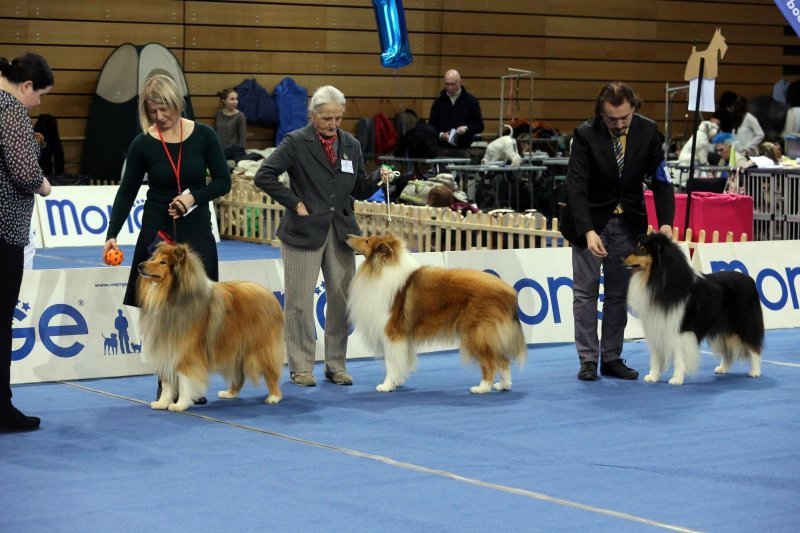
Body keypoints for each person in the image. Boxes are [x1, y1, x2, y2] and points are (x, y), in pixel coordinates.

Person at [103, 74, 231, 401]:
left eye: (164, 109)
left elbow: (222, 181)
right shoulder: (143, 143)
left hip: (195, 232)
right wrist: (112, 233)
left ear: (177, 103)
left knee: (199, 311)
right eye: (152, 111)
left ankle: (193, 382)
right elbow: (127, 191)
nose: (159, 117)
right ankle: (165, 382)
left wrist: (193, 198)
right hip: (157, 233)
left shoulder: (203, 135)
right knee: (157, 313)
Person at [253, 85, 392, 387]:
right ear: (313, 115)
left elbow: (358, 188)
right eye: (326, 118)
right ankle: (301, 367)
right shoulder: (295, 142)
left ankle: (336, 364)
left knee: (341, 300)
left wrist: (377, 178)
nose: (332, 125)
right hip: (303, 233)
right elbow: (263, 175)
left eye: (338, 118)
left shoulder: (351, 144)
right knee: (300, 303)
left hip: (342, 233)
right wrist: (294, 202)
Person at [560, 82, 675, 381]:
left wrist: (665, 222)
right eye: (612, 119)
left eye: (625, 118)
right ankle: (587, 360)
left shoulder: (648, 131)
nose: (620, 124)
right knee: (585, 293)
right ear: (600, 113)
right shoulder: (585, 135)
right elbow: (576, 188)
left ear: (634, 108)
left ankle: (611, 357)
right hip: (590, 224)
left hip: (628, 225)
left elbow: (661, 180)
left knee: (617, 294)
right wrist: (587, 231)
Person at [0, 52, 53, 431]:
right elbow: (23, 172)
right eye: (41, 95)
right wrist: (45, 185)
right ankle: (2, 408)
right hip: (4, 231)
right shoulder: (12, 109)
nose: (39, 104)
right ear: (27, 86)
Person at [428, 69, 484, 157]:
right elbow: (431, 126)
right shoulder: (438, 102)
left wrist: (466, 128)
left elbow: (479, 125)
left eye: (453, 84)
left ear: (460, 82)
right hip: (443, 149)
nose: (450, 87)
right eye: (447, 84)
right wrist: (441, 135)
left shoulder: (471, 101)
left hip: (464, 149)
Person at [215, 88, 247, 159]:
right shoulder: (219, 113)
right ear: (224, 101)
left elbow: (242, 139)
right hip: (220, 150)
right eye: (232, 99)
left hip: (234, 152)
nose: (235, 102)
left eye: (236, 99)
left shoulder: (240, 116)